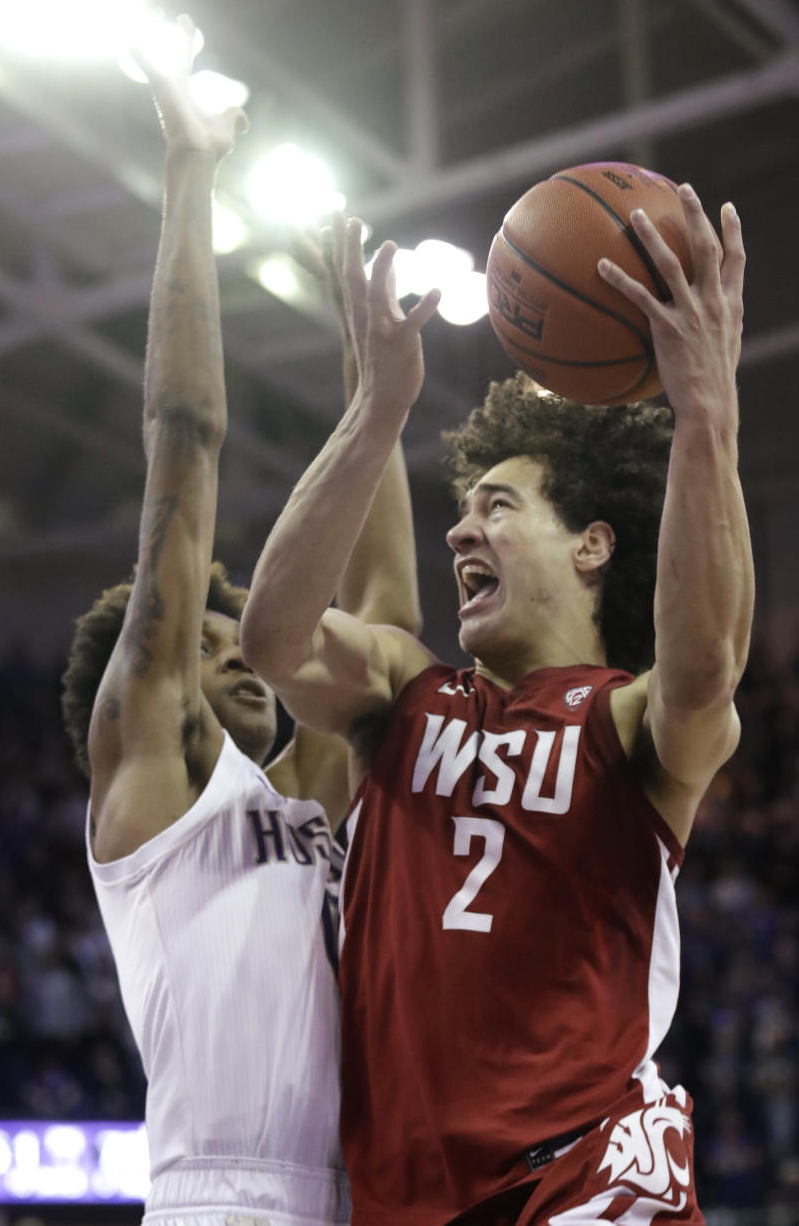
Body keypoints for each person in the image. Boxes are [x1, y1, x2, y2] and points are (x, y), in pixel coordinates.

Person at [240, 191, 753, 1226]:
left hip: (589, 1180)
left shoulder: (628, 723)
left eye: (498, 508)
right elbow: (275, 639)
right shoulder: (403, 695)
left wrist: (708, 412)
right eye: (461, 510)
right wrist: (374, 410)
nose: (459, 534)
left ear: (593, 546)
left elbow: (705, 667)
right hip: (413, 1199)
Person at [60, 20, 421, 1226]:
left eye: (234, 638)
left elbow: (383, 620)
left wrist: (372, 393)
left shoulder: (305, 800)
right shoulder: (152, 792)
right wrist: (190, 172)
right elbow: (184, 444)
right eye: (209, 651)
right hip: (219, 1200)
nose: (239, 653)